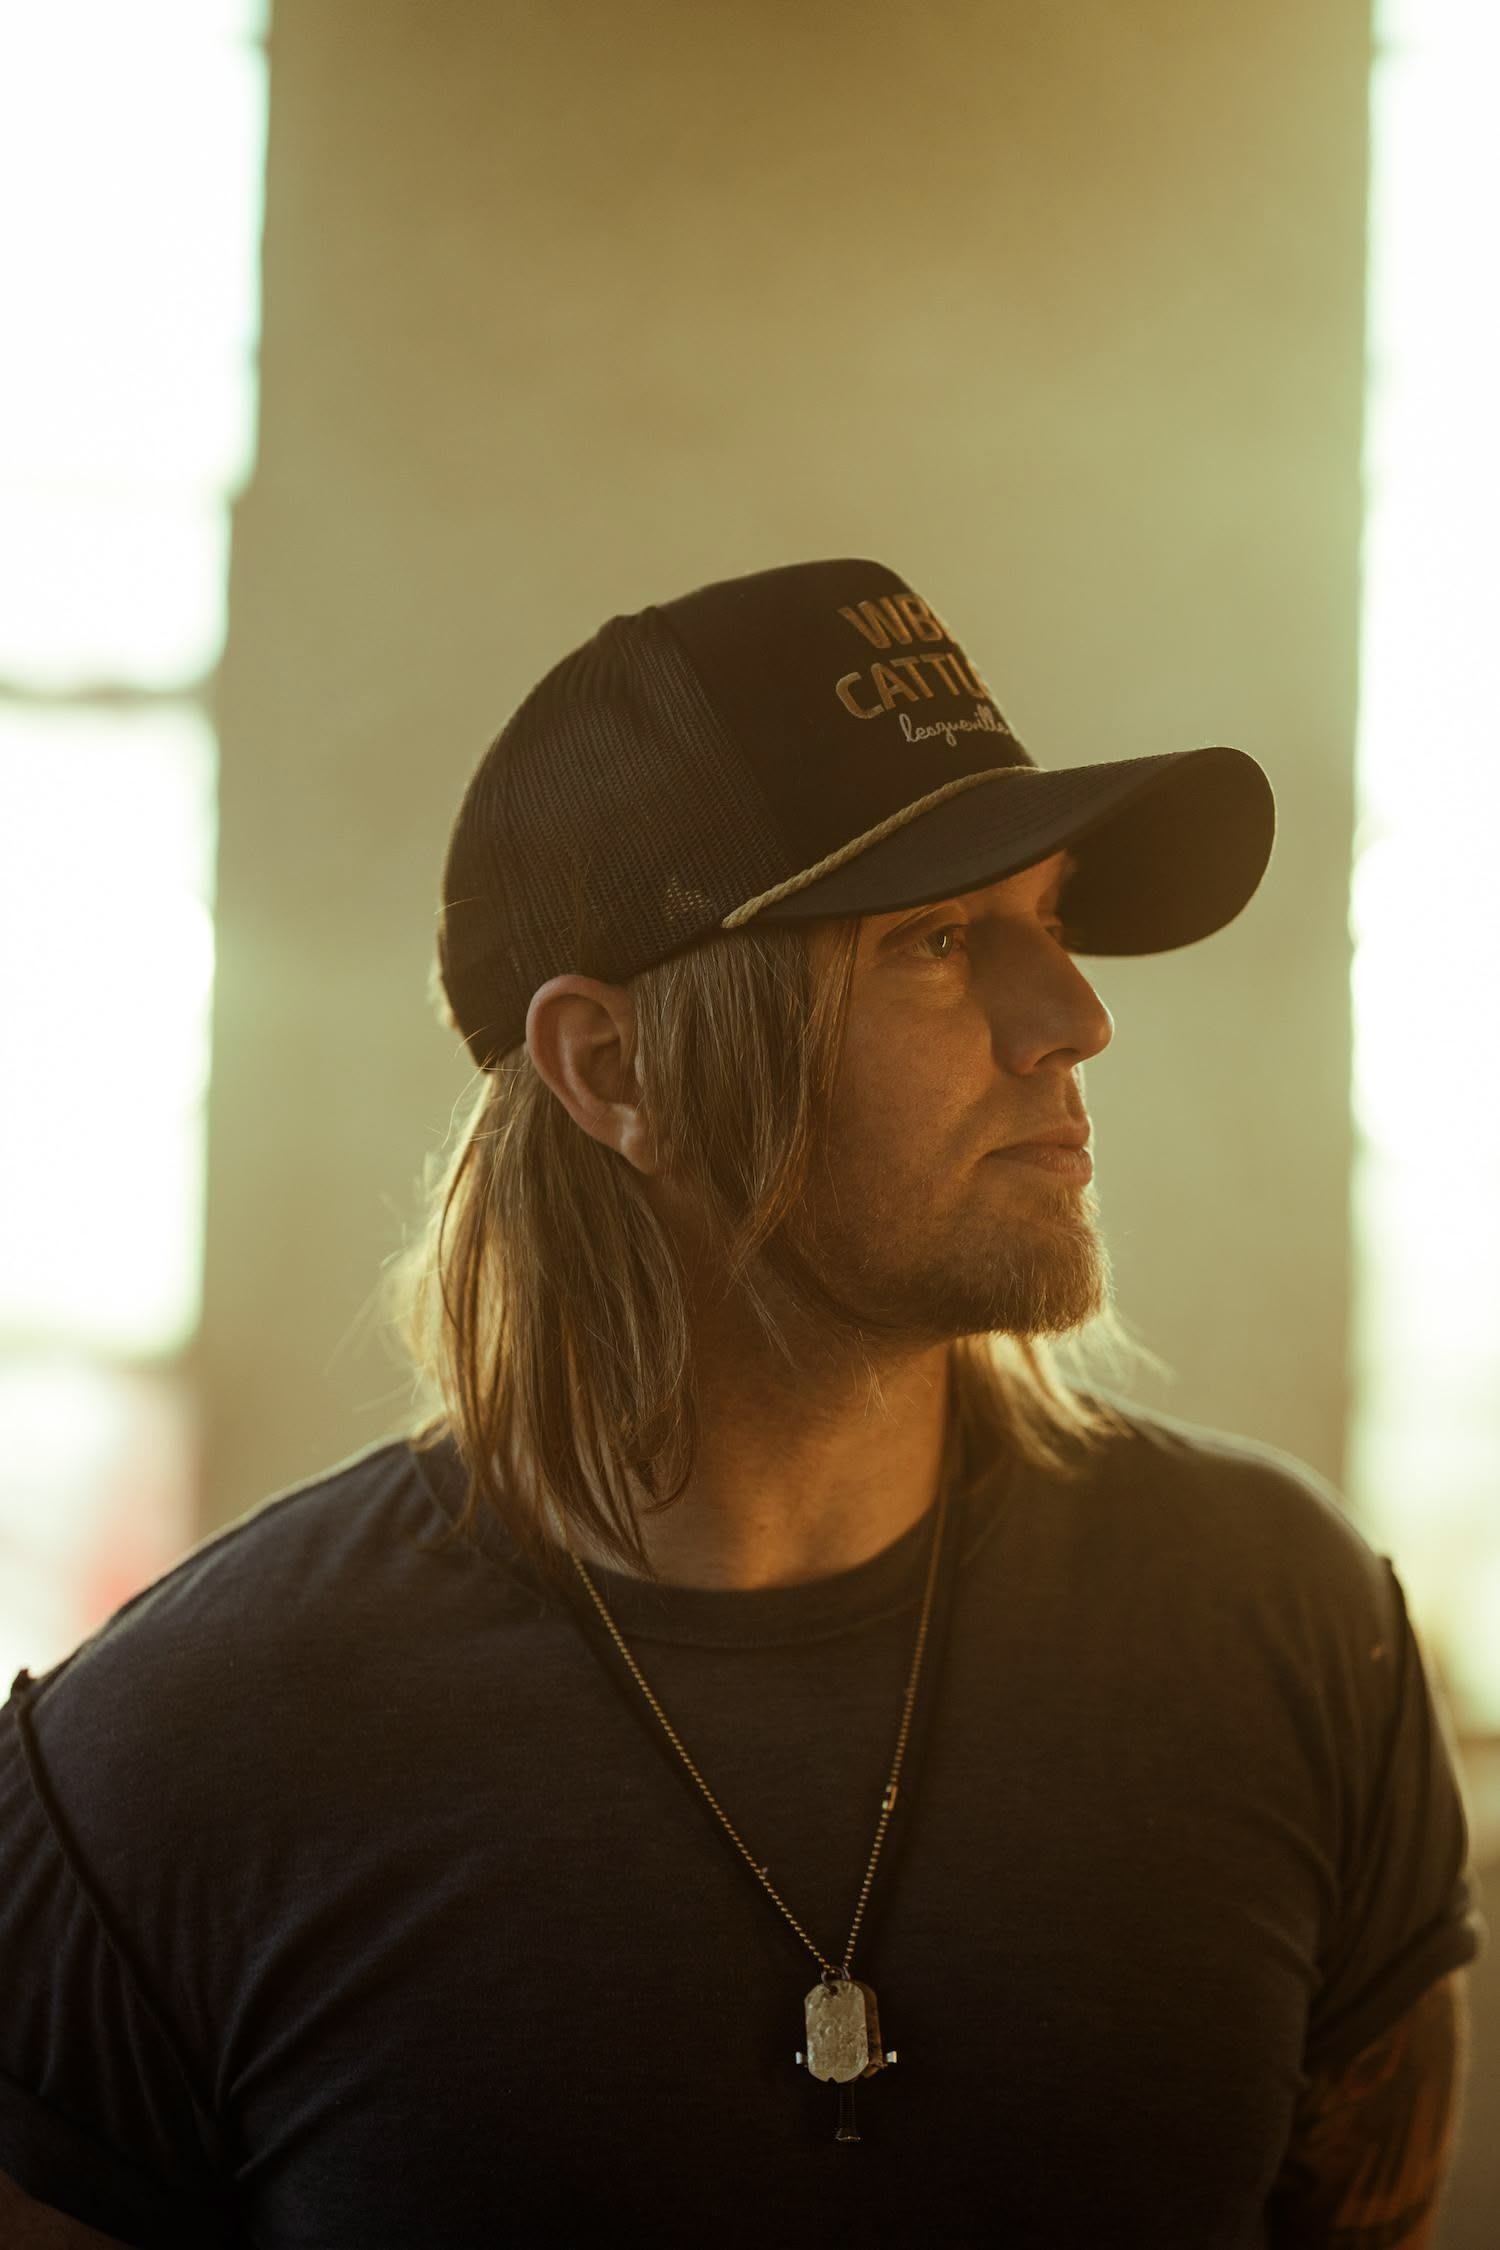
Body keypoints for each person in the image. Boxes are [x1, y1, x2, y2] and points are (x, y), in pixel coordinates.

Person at [0, 557, 1485, 2247]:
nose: (1074, 1017)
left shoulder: (1290, 1631)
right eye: (934, 941)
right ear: (613, 1069)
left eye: (1050, 917)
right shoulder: (163, 1768)